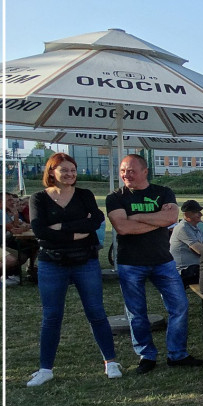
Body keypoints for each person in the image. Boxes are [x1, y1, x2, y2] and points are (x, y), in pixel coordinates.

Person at [27, 153, 121, 386]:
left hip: (84, 261)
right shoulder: (38, 198)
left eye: (73, 170)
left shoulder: (84, 195)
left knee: (96, 312)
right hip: (51, 262)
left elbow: (96, 220)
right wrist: (75, 232)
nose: (70, 174)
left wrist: (61, 228)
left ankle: (111, 362)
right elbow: (40, 231)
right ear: (51, 172)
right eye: (64, 170)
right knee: (51, 316)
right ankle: (45, 369)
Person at [106, 154, 202, 374]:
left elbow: (169, 220)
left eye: (131, 170)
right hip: (131, 263)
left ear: (144, 171)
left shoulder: (163, 192)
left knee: (179, 307)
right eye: (122, 170)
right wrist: (155, 219)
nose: (126, 175)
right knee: (136, 312)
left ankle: (177, 354)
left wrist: (135, 216)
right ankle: (146, 355)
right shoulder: (115, 197)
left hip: (163, 261)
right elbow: (122, 228)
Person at [169, 199, 203, 285]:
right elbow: (201, 251)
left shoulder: (196, 228)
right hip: (183, 271)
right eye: (197, 212)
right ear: (187, 214)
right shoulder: (182, 228)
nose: (201, 214)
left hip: (194, 269)